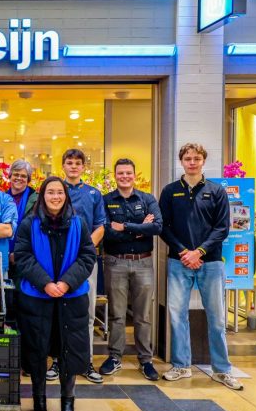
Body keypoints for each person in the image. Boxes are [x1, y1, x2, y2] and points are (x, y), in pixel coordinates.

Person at [159, 143, 242, 390]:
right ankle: (181, 366)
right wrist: (185, 252)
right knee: (177, 315)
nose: (192, 162)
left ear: (203, 161)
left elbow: (222, 228)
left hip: (211, 262)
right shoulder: (170, 191)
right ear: (181, 161)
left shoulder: (217, 191)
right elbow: (164, 226)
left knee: (216, 318)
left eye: (196, 158)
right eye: (187, 158)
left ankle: (222, 370)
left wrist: (200, 252)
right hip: (178, 261)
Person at [14, 176, 96, 411]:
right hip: (37, 298)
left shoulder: (79, 224)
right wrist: (46, 283)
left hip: (71, 298)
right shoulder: (29, 224)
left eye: (59, 192)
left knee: (68, 351)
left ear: (66, 196)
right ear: (42, 195)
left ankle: (67, 402)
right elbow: (23, 256)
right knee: (38, 351)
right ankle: (39, 402)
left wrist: (66, 283)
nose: (55, 197)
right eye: (50, 192)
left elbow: (87, 256)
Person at [99, 158, 162, 381]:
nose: (125, 177)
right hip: (115, 262)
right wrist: (140, 228)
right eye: (120, 173)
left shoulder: (147, 199)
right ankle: (115, 357)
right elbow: (107, 232)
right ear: (115, 176)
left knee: (142, 315)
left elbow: (157, 227)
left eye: (128, 173)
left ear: (135, 175)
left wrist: (126, 227)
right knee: (116, 314)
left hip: (144, 262)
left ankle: (145, 360)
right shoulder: (106, 200)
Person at [48, 149, 106, 384]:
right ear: (63, 166)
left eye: (77, 163)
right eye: (69, 163)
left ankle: (86, 362)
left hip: (85, 262)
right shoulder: (55, 191)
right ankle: (57, 361)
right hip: (57, 262)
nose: (73, 166)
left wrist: (82, 250)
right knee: (57, 313)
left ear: (83, 167)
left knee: (87, 313)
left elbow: (101, 227)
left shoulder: (93, 194)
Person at [7, 159, 38, 273]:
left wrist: (19, 252)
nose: (19, 178)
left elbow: (37, 231)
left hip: (27, 256)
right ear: (10, 176)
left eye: (23, 176)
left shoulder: (37, 200)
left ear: (28, 179)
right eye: (16, 174)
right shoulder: (1, 198)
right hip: (4, 254)